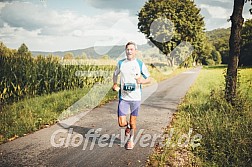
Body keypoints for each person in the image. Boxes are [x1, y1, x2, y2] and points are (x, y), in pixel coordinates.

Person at [112, 41, 151, 150]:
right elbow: (115, 74)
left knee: (134, 123)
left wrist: (142, 81)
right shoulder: (121, 63)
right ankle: (127, 126)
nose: (129, 51)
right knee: (121, 123)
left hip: (136, 98)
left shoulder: (139, 64)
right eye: (127, 49)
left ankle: (130, 140)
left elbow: (149, 78)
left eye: (131, 49)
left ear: (135, 51)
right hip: (123, 98)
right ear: (125, 51)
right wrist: (115, 84)